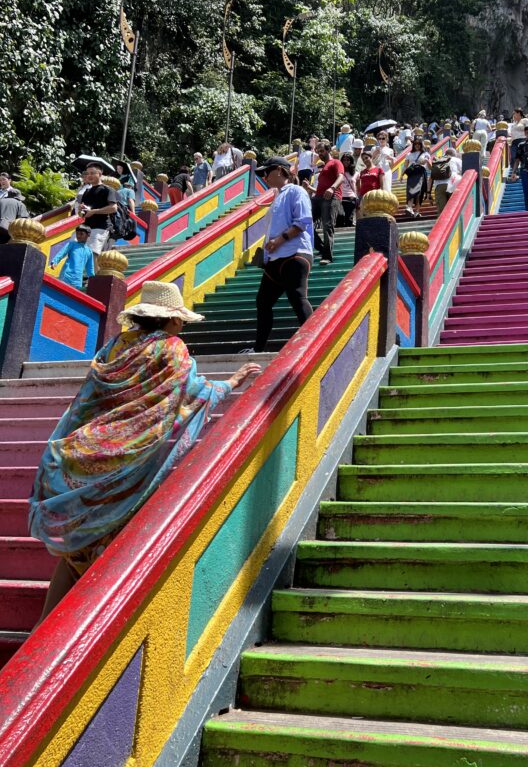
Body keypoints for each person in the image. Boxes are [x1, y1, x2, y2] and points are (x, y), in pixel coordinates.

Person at [28, 280, 261, 621]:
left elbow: (87, 401)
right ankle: (92, 624)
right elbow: (193, 393)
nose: (182, 325)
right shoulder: (171, 348)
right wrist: (232, 382)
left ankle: (44, 624)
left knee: (78, 547)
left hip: (85, 449)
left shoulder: (115, 346)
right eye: (180, 319)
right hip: (125, 458)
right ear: (171, 319)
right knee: (109, 541)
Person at [249, 157, 314, 350]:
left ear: (278, 170)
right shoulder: (278, 196)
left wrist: (279, 240)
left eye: (266, 172)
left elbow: (303, 221)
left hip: (294, 253)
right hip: (275, 258)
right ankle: (258, 349)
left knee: (297, 297)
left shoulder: (296, 191)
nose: (264, 177)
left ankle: (313, 344)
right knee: (263, 302)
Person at [312, 142, 344, 265]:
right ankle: (321, 248)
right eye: (318, 152)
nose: (320, 154)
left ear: (328, 150)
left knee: (327, 225)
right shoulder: (323, 167)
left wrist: (332, 188)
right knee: (304, 222)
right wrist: (309, 188)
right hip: (318, 197)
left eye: (322, 151)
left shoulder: (336, 162)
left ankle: (327, 256)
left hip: (332, 197)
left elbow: (341, 177)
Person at [77, 164, 118, 254]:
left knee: (92, 254)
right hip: (85, 227)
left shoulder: (107, 190)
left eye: (92, 173)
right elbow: (82, 213)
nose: (89, 176)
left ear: (99, 174)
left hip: (100, 227)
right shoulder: (87, 191)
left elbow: (113, 208)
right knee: (79, 254)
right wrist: (81, 209)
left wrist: (94, 211)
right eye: (87, 173)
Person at [404, 137, 431, 218]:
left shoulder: (425, 154)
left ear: (421, 145)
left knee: (419, 193)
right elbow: (405, 166)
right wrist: (402, 175)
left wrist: (426, 161)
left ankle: (417, 211)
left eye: (419, 144)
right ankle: (409, 207)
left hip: (421, 173)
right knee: (411, 190)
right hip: (412, 173)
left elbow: (430, 167)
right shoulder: (409, 154)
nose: (417, 145)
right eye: (415, 144)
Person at [432, 146, 462, 213]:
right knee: (453, 207)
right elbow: (465, 171)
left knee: (442, 210)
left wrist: (428, 192)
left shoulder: (438, 160)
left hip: (438, 186)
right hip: (453, 184)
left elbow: (431, 177)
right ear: (454, 154)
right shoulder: (456, 159)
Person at [340, 152, 359, 226]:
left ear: (351, 161)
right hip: (340, 197)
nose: (346, 161)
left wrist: (357, 197)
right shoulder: (339, 173)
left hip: (351, 198)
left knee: (349, 220)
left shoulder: (356, 173)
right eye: (344, 160)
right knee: (339, 220)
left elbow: (358, 187)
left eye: (348, 160)